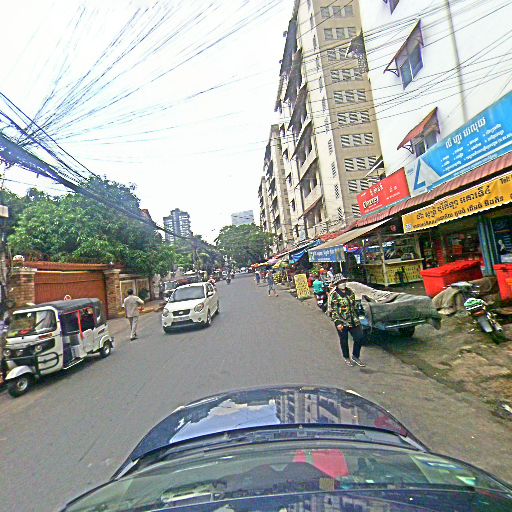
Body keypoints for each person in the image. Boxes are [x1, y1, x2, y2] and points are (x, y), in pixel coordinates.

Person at [328, 274, 366, 367]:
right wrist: (338, 323)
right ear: (337, 284)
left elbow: (354, 305)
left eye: (344, 282)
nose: (343, 284)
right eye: (340, 282)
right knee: (344, 340)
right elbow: (333, 310)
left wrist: (359, 313)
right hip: (341, 320)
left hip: (353, 319)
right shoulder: (334, 295)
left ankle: (355, 356)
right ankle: (346, 357)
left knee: (359, 337)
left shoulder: (350, 292)